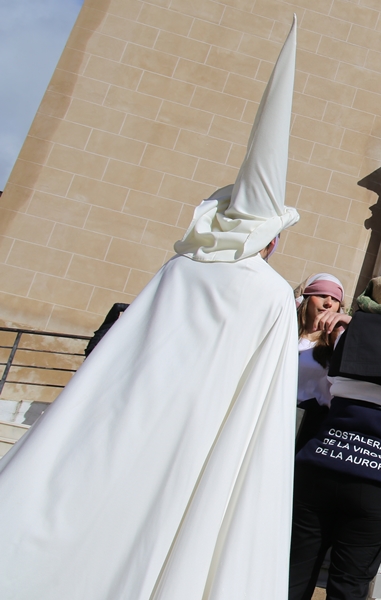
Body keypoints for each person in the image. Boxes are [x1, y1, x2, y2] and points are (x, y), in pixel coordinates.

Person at [0, 18, 301, 600]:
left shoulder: (180, 268)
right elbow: (259, 418)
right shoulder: (270, 295)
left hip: (123, 422)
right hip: (198, 442)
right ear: (270, 237)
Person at [288, 273, 381, 600]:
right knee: (349, 588)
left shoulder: (345, 335)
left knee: (293, 577)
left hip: (321, 465)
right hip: (377, 480)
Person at [294, 273, 344, 451]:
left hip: (311, 424)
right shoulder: (286, 334)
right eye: (322, 295)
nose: (329, 303)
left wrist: (347, 322)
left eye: (335, 299)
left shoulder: (337, 344)